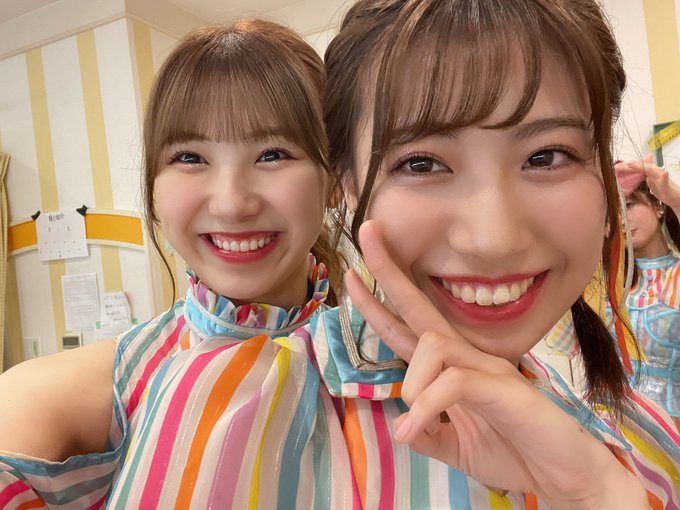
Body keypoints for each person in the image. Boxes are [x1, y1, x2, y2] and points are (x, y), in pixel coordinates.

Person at [318, 0, 680, 507]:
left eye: (546, 156)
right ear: (347, 184)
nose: (495, 239)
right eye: (421, 164)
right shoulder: (258, 413)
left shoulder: (650, 445)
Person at [0, 19, 342, 508]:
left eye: (272, 154)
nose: (231, 204)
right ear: (155, 187)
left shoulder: (402, 372)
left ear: (335, 180)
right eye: (190, 157)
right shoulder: (97, 388)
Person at [614, 156, 680, 427]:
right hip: (614, 421)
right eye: (612, 212)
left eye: (628, 205)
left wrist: (674, 197)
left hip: (671, 426)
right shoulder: (607, 286)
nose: (621, 219)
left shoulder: (676, 276)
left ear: (658, 205)